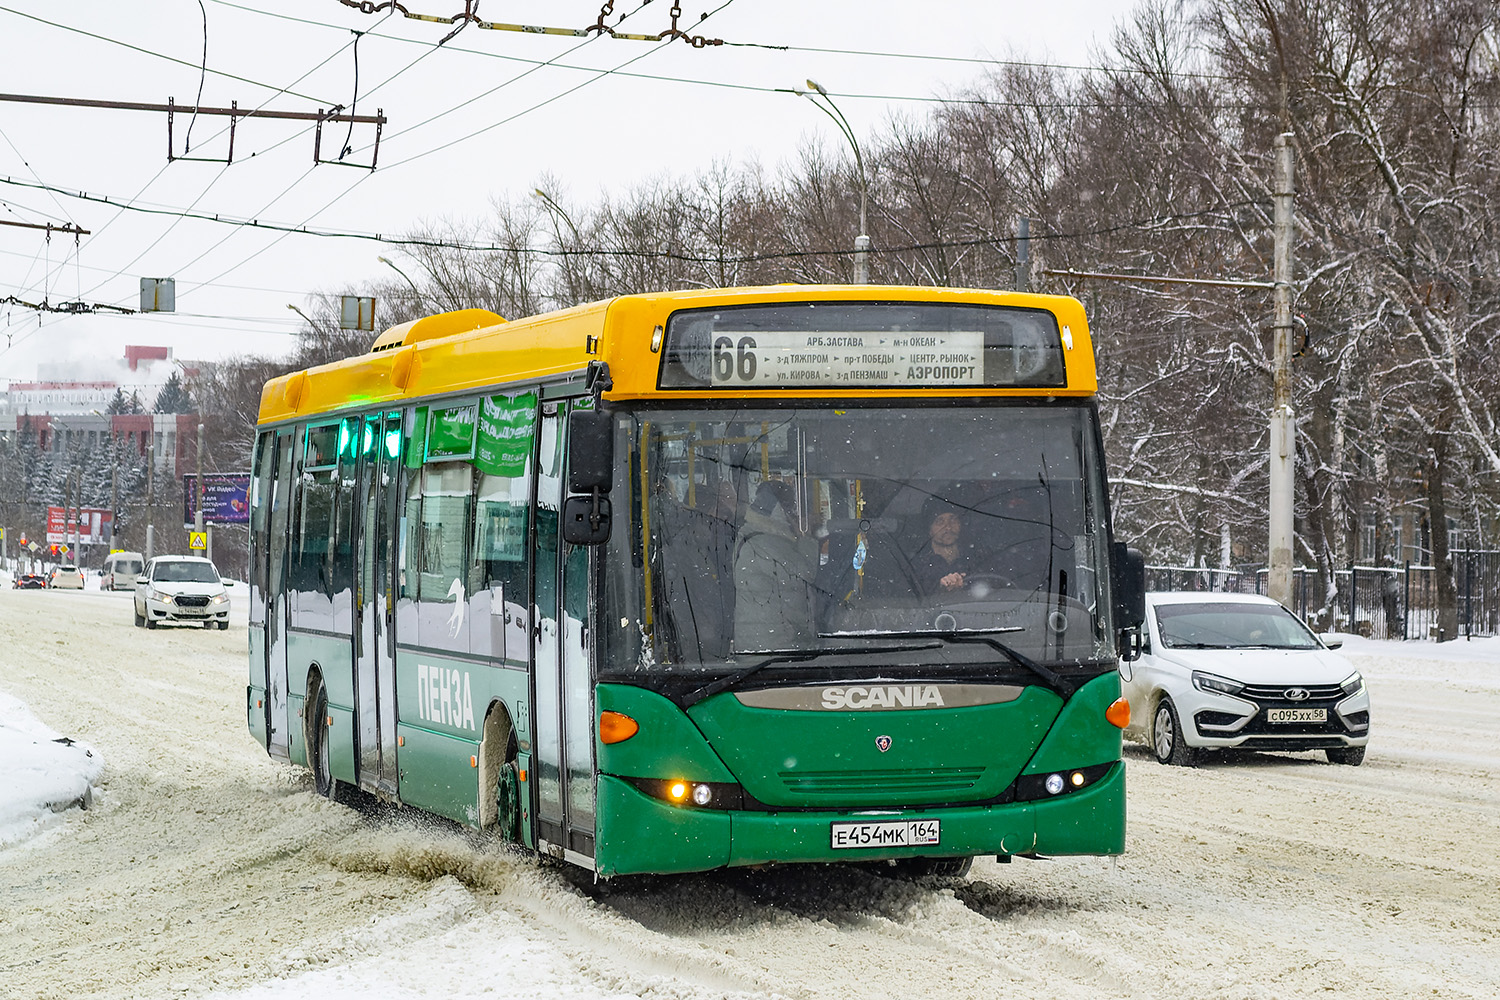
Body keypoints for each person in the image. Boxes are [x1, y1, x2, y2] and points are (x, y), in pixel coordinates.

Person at [733, 481, 820, 651]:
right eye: (791, 508)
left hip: (757, 640)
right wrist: (806, 536)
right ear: (780, 510)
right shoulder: (769, 542)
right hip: (775, 644)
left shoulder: (751, 534)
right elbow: (806, 574)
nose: (793, 514)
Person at [660, 479, 738, 660]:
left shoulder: (705, 547)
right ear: (704, 515)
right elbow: (680, 605)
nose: (722, 522)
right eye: (717, 514)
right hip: (698, 649)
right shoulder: (681, 551)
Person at [911, 501, 974, 596]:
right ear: (930, 530)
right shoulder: (916, 565)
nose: (948, 527)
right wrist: (940, 588)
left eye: (953, 520)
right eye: (940, 522)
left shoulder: (976, 556)